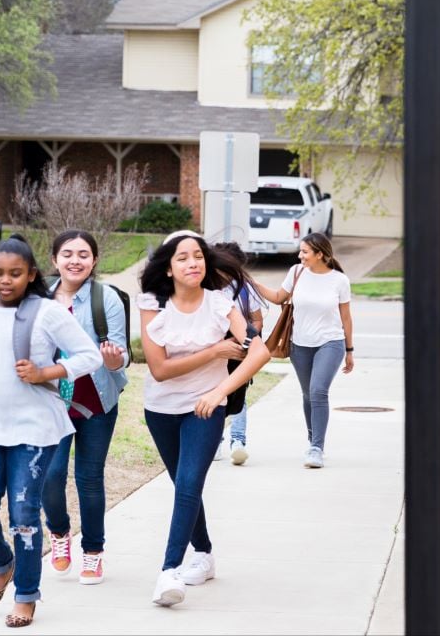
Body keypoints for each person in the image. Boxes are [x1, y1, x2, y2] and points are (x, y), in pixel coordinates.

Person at [0, 234, 102, 628]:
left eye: (15, 274)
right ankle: (2, 564)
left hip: (35, 433)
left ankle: (25, 595)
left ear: (32, 274)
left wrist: (47, 372)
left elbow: (89, 356)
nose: (6, 280)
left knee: (24, 514)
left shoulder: (48, 312)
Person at [137, 230, 270, 607]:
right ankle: (205, 553)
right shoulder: (153, 304)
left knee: (189, 482)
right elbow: (160, 369)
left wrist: (219, 392)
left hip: (205, 408)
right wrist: (215, 351)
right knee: (184, 485)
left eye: (197, 255)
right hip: (161, 408)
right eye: (182, 257)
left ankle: (168, 572)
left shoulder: (220, 303)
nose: (192, 263)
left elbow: (258, 353)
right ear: (168, 268)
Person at [40, 230, 129, 585]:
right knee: (50, 475)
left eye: (83, 254)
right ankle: (60, 534)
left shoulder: (105, 298)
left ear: (94, 260)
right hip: (49, 402)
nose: (75, 260)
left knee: (89, 479)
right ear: (54, 260)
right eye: (67, 253)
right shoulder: (39, 298)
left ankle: (93, 552)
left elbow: (118, 360)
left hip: (96, 402)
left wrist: (110, 360)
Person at [249, 232, 354, 469]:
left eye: (305, 251)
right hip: (299, 345)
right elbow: (278, 298)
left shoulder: (339, 280)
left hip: (331, 342)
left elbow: (346, 318)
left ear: (320, 254)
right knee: (308, 394)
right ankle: (312, 439)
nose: (300, 255)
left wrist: (349, 349)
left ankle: (317, 447)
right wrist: (252, 283)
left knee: (318, 391)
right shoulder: (296, 272)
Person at [210, 241, 265, 466]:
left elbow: (257, 320)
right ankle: (214, 441)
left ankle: (238, 442)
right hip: (213, 354)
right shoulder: (204, 287)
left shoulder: (244, 288)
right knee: (214, 394)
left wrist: (245, 339)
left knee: (238, 395)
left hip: (240, 352)